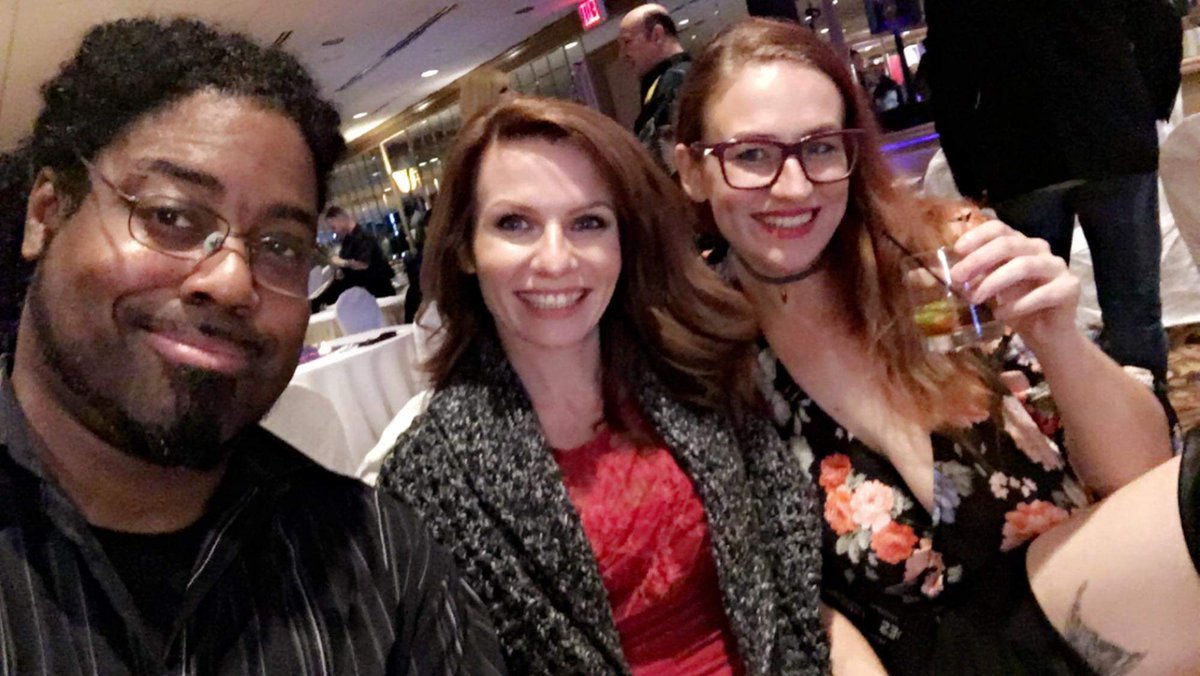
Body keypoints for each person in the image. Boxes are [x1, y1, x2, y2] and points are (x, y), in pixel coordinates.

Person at [673, 18, 1197, 674]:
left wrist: (1057, 338)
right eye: (751, 155)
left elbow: (1143, 470)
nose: (795, 186)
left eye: (821, 147)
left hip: (1090, 595)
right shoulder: (699, 358)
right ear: (692, 170)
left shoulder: (938, 262)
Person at [0, 17, 503, 673]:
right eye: (171, 216)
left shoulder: (386, 565)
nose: (233, 281)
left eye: (281, 247)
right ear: (46, 213)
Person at [376, 97, 832, 673]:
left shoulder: (694, 375)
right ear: (465, 247)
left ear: (624, 240)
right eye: (514, 224)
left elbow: (794, 583)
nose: (555, 260)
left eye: (588, 222)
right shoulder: (427, 478)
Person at [923, 0, 1183, 387]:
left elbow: (948, 73)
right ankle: (1151, 408)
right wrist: (1148, 106)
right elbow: (1159, 22)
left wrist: (970, 173)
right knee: (1134, 307)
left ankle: (1066, 407)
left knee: (1040, 310)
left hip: (1020, 154)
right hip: (1113, 136)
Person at [618, 4, 692, 166]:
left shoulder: (676, 80)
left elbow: (670, 161)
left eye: (627, 42)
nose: (623, 54)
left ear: (657, 35)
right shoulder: (668, 80)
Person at [320, 204, 397, 302]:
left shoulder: (363, 237)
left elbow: (363, 264)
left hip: (378, 293)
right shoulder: (347, 241)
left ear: (339, 219)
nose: (334, 232)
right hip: (365, 295)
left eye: (333, 227)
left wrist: (342, 262)